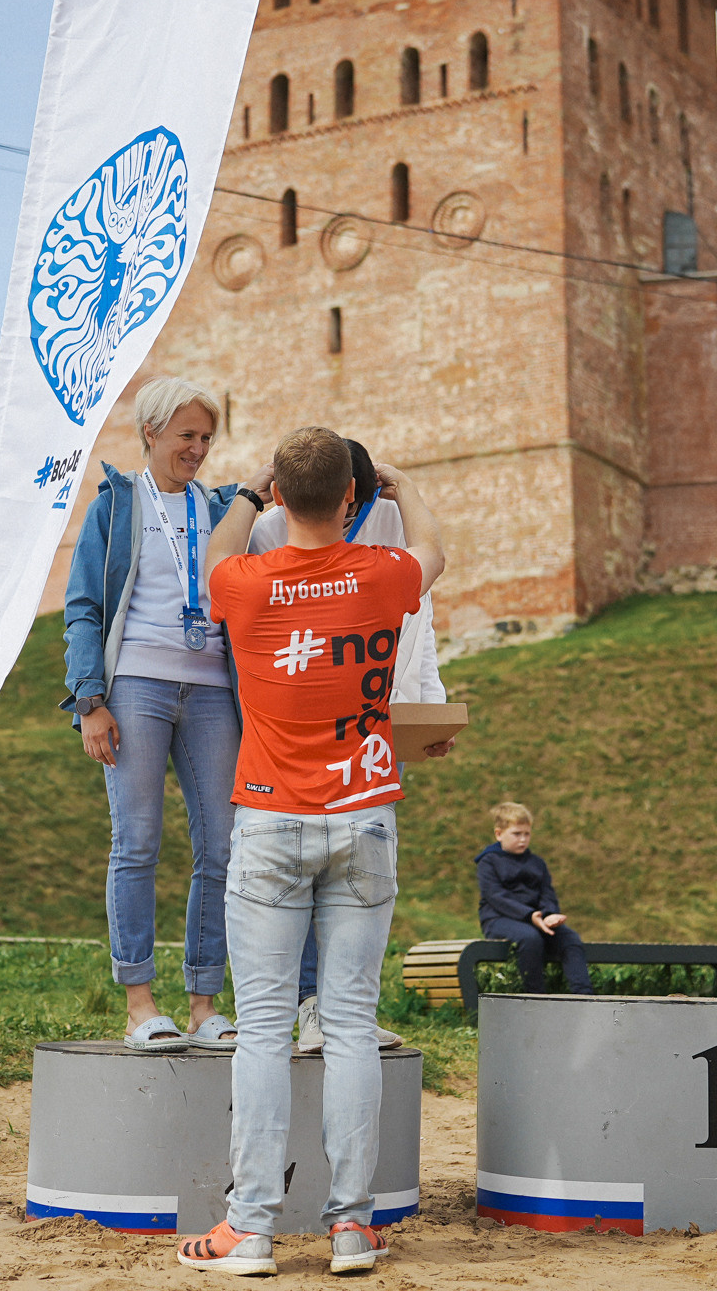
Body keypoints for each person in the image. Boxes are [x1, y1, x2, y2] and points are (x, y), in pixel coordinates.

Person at [175, 428, 445, 1276]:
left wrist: (250, 497)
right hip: (363, 814)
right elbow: (434, 550)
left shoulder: (244, 582)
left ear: (283, 498)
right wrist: (400, 488)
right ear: (356, 500)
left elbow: (215, 553)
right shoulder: (382, 574)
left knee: (261, 1032)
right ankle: (353, 1228)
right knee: (353, 1027)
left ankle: (249, 1227)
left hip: (268, 819)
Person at [248, 437, 450, 1054]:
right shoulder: (280, 538)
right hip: (296, 754)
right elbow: (430, 563)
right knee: (308, 897)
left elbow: (422, 626)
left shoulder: (373, 529)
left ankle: (324, 1014)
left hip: (356, 753)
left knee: (338, 900)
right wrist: (408, 487)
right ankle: (314, 1011)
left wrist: (425, 715)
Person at [61, 377, 244, 1054]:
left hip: (212, 691)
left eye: (206, 438)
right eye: (185, 436)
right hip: (135, 683)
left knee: (221, 846)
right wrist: (90, 701)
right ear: (151, 433)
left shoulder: (225, 510)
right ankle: (140, 1004)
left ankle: (204, 1005)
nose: (197, 449)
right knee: (136, 841)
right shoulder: (116, 503)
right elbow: (82, 606)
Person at [475, 802, 595, 995]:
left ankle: (584, 997)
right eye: (516, 834)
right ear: (499, 834)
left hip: (538, 920)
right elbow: (496, 896)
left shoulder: (536, 863)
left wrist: (548, 915)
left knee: (570, 939)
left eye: (527, 834)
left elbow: (547, 893)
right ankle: (536, 997)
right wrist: (529, 915)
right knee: (530, 939)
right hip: (499, 920)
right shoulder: (488, 862)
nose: (522, 839)